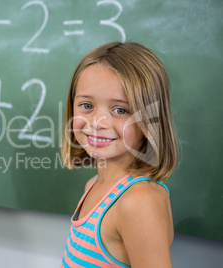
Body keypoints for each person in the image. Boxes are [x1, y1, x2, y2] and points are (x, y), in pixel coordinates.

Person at [61, 42, 178, 268]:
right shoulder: (93, 185)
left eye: (120, 110)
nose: (97, 123)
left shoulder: (139, 201)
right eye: (86, 105)